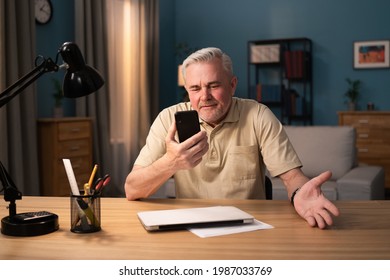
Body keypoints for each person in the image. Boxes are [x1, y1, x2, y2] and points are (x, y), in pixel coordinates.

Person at [125, 47, 339, 229]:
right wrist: (170, 163)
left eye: (214, 85)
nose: (204, 96)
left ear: (232, 84)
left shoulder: (258, 115)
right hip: (192, 226)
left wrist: (301, 193)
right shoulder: (167, 119)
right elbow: (132, 189)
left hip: (248, 225)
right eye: (195, 88)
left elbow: (292, 177)